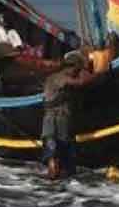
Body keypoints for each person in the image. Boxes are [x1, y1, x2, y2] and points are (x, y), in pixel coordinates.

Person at [41, 51, 105, 180]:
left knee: (61, 159)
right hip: (55, 122)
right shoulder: (58, 78)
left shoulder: (57, 79)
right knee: (55, 155)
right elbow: (81, 82)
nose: (78, 71)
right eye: (77, 68)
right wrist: (100, 73)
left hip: (59, 122)